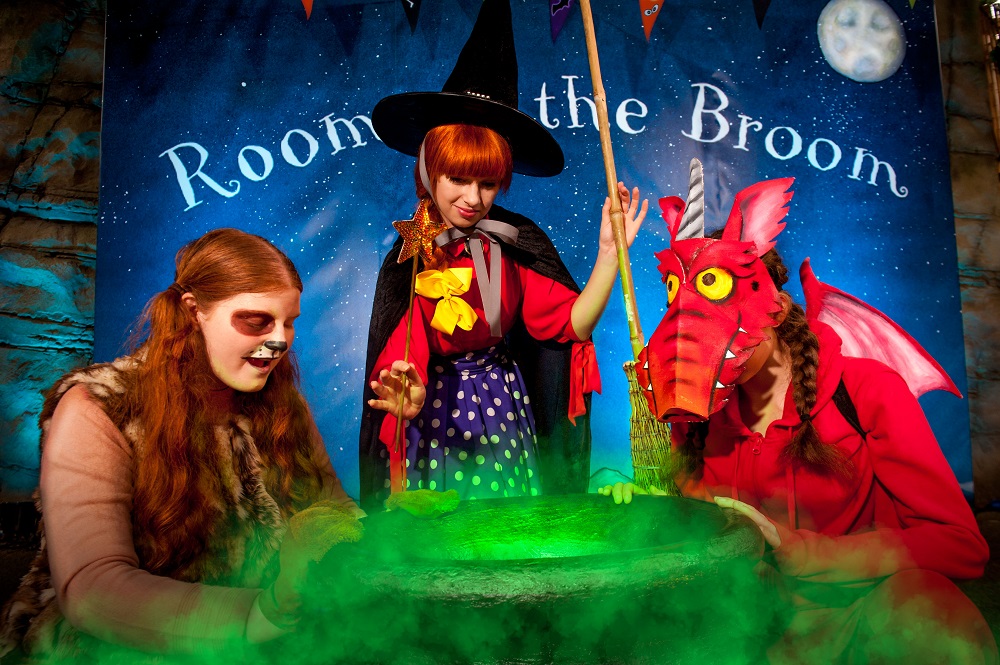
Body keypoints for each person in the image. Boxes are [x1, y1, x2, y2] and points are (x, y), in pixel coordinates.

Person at [600, 163, 997, 664]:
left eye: (718, 295)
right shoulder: (697, 414)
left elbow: (959, 545)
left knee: (932, 617)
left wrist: (797, 549)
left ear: (778, 306)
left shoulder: (866, 389)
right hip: (750, 632)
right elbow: (704, 536)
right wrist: (652, 512)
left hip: (863, 624)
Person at [0, 228, 365, 662]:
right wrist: (256, 615)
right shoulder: (100, 409)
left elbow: (334, 513)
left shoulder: (284, 406)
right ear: (194, 312)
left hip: (277, 647)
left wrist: (382, 538)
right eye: (256, 321)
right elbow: (92, 588)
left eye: (289, 322)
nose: (280, 340)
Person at [357, 0, 646, 510]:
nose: (473, 198)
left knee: (510, 531)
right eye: (458, 178)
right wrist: (407, 391)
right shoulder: (412, 254)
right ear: (429, 171)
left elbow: (570, 325)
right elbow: (403, 344)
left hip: (501, 408)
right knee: (444, 535)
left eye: (488, 183)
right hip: (434, 414)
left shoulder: (514, 241)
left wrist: (608, 254)